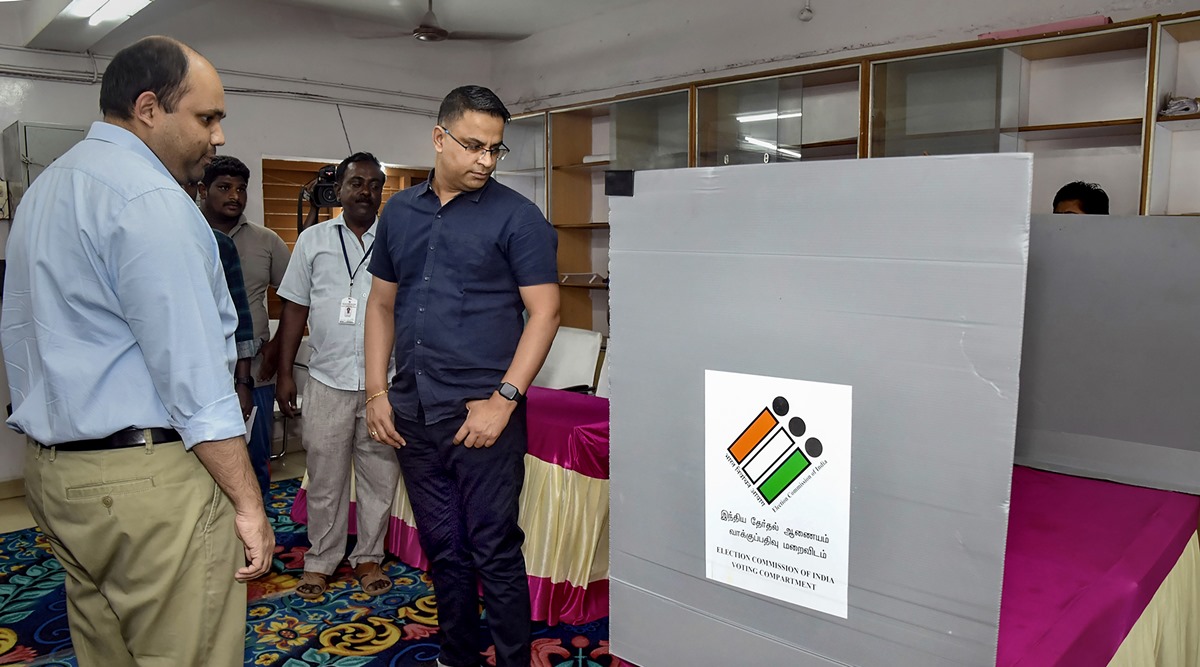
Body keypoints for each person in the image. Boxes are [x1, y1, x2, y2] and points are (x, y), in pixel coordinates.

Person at [0, 36, 273, 666]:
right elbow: (194, 380)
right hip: (147, 484)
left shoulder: (47, 188)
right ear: (149, 108)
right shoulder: (151, 201)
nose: (219, 136)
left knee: (106, 649)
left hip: (59, 475)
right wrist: (248, 503)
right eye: (207, 117)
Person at [364, 85, 560, 667]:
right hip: (413, 413)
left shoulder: (518, 218)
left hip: (482, 416)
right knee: (444, 548)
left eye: (495, 149)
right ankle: (458, 654)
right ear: (438, 137)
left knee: (493, 548)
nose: (485, 160)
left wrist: (504, 399)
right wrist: (376, 392)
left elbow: (546, 312)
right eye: (474, 145)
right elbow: (380, 305)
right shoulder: (399, 212)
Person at [275, 152, 401, 600]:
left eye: (374, 184)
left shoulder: (396, 240)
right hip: (327, 380)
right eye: (356, 183)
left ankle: (368, 556)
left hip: (382, 385)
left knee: (379, 478)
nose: (365, 191)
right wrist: (285, 372)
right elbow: (295, 308)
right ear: (339, 189)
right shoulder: (313, 240)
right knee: (325, 478)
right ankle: (320, 560)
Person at [199, 155, 292, 495]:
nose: (234, 196)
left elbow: (296, 299)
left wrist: (277, 348)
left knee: (254, 459)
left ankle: (258, 521)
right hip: (202, 369)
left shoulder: (266, 241)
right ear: (203, 190)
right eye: (224, 187)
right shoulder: (185, 235)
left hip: (256, 370)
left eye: (241, 189)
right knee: (204, 465)